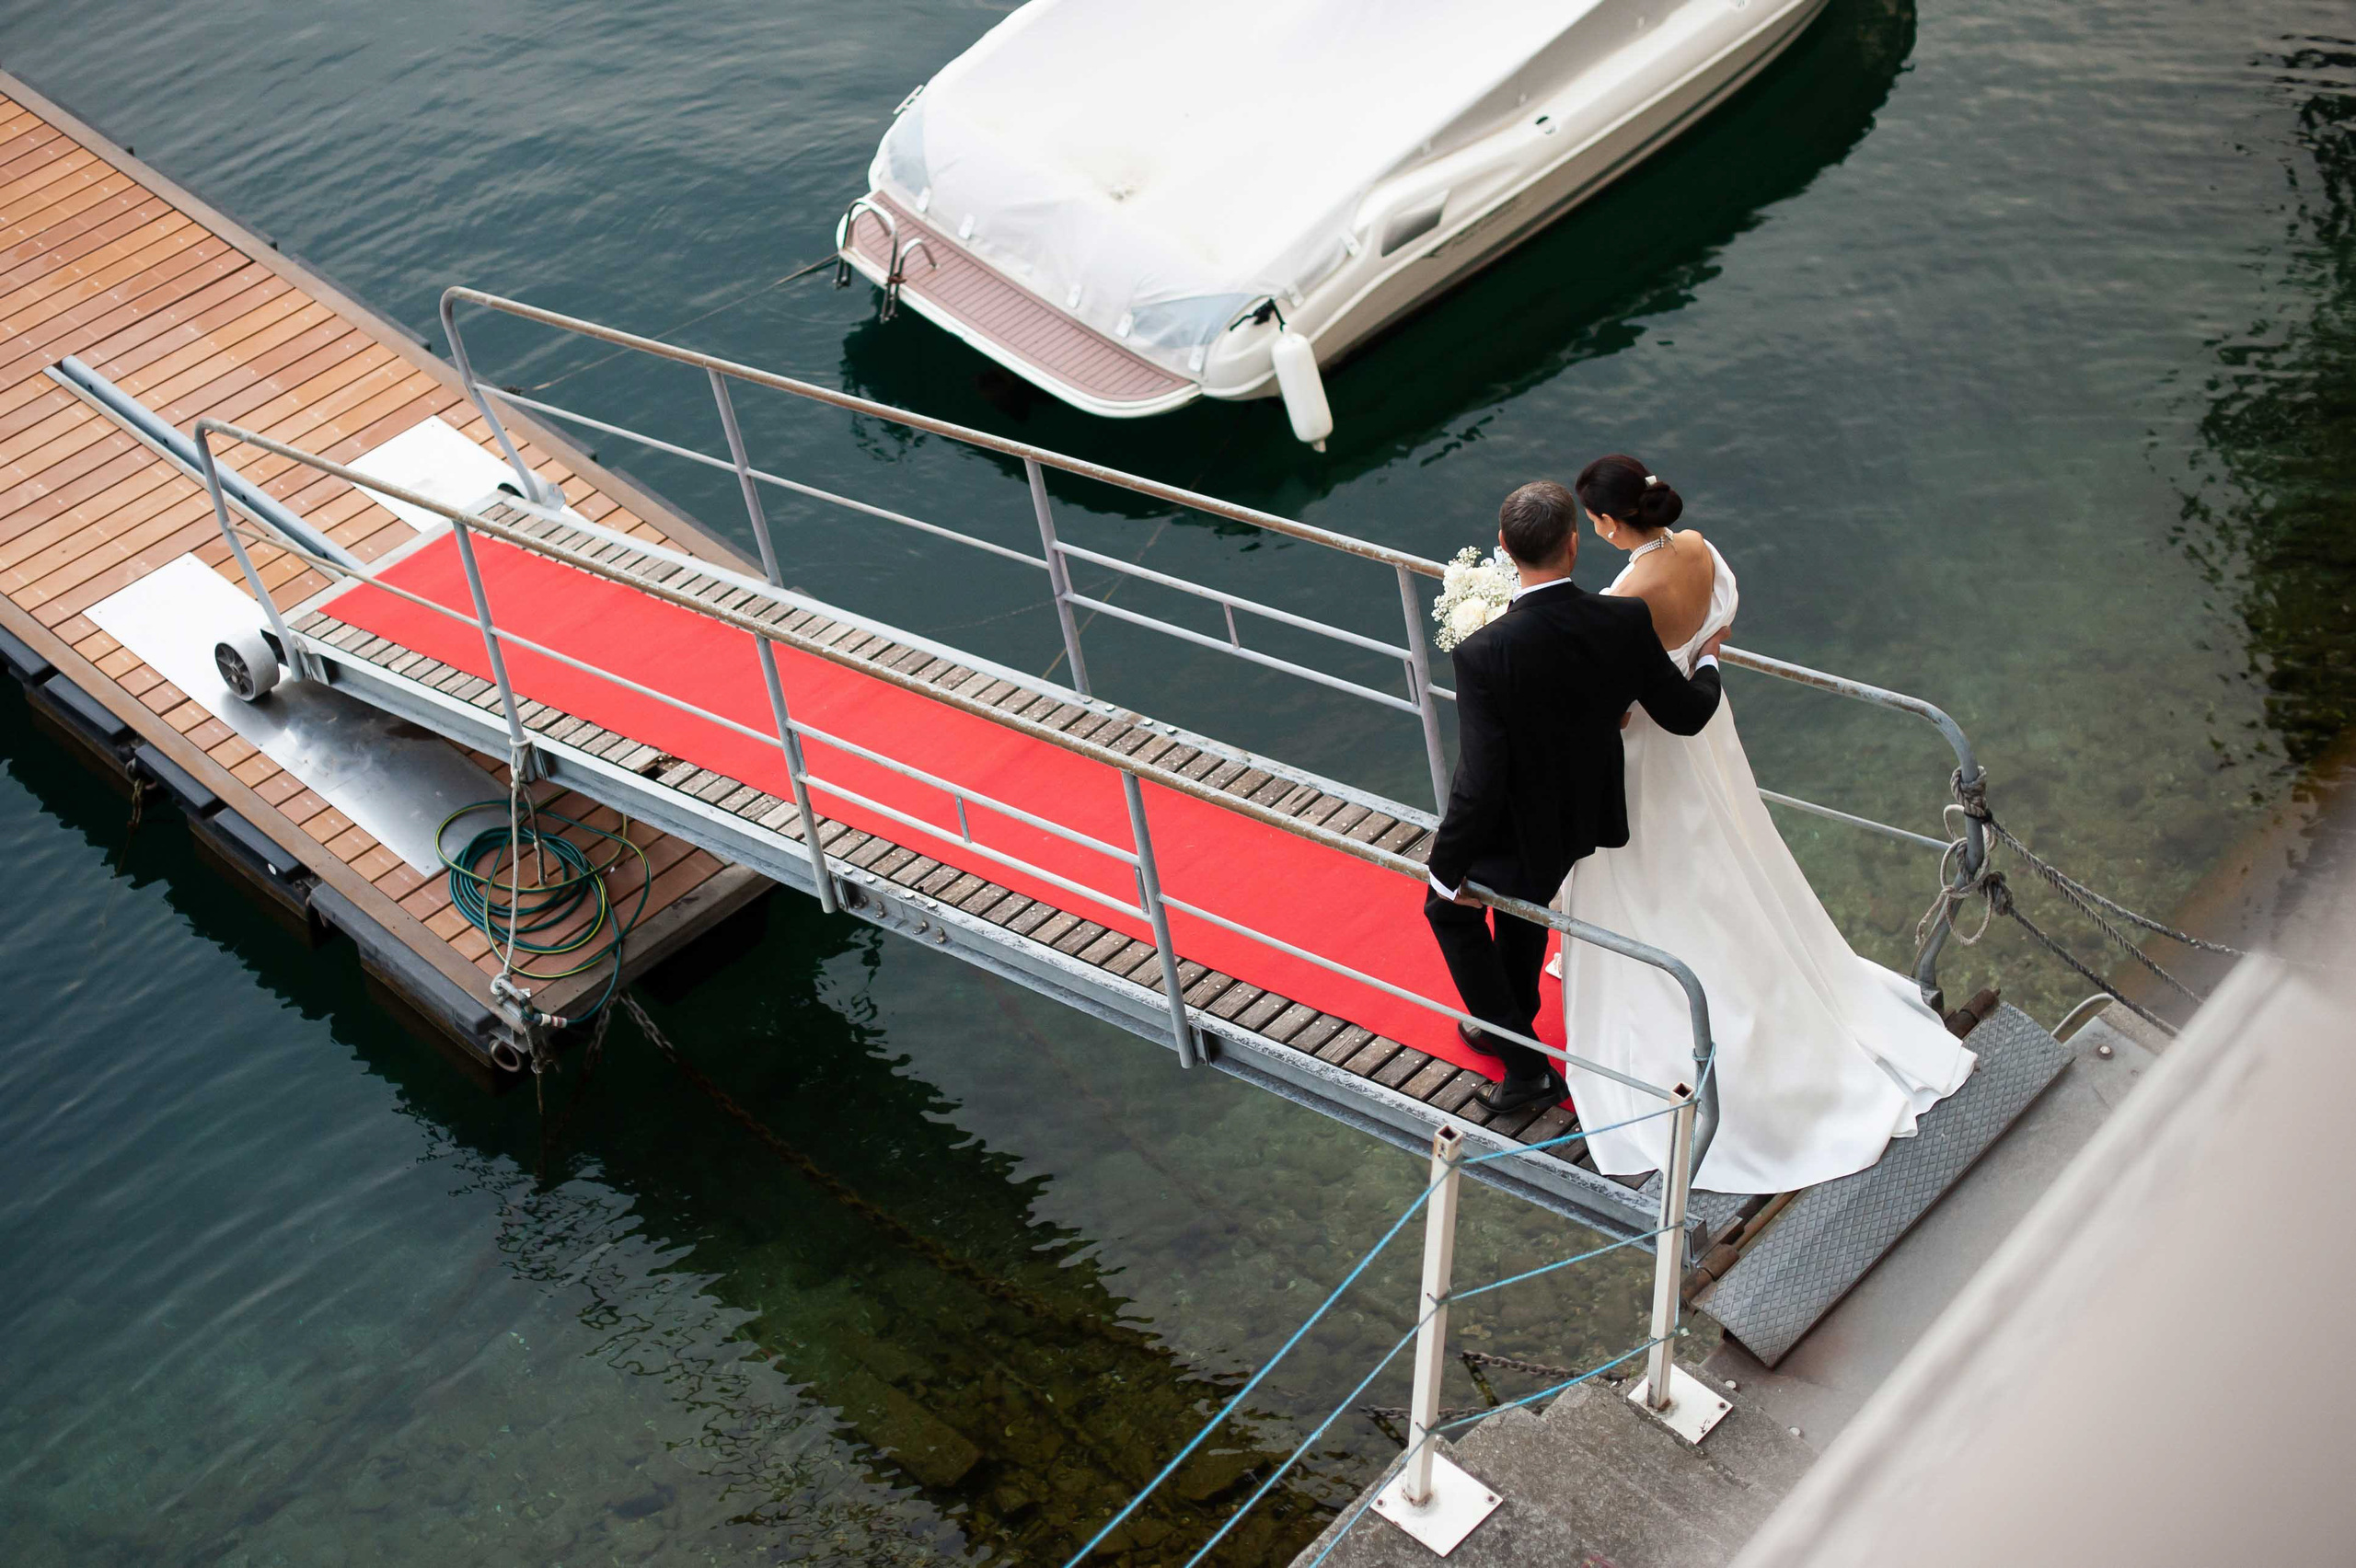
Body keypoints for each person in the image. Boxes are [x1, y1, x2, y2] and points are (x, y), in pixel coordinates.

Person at [1553, 455, 1976, 1193]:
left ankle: (1715, 1028)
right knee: (1731, 855)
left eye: (1595, 521)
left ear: (1612, 522)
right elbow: (1720, 622)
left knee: (1665, 882)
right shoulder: (1700, 550)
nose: (1593, 531)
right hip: (1709, 737)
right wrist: (1702, 661)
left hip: (1654, 758)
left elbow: (1618, 705)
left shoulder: (1627, 597)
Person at [1423, 480, 1726, 1115]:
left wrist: (1446, 865)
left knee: (1448, 910)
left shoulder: (1485, 651)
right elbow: (1685, 715)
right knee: (1523, 901)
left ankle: (1525, 1064)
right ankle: (1514, 1015)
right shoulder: (1621, 618)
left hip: (1519, 825)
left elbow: (1480, 778)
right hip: (1589, 813)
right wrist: (1709, 660)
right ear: (1572, 544)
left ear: (1505, 548)